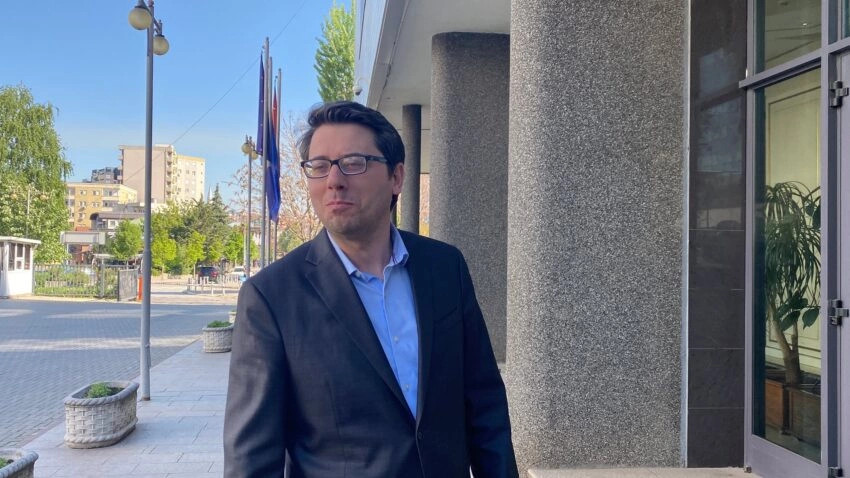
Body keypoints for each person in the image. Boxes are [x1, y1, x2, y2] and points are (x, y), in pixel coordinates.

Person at [223, 101, 518, 478]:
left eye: (353, 162)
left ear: (396, 177)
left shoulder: (445, 267)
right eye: (319, 166)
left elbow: (485, 407)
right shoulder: (271, 297)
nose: (334, 180)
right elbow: (251, 460)